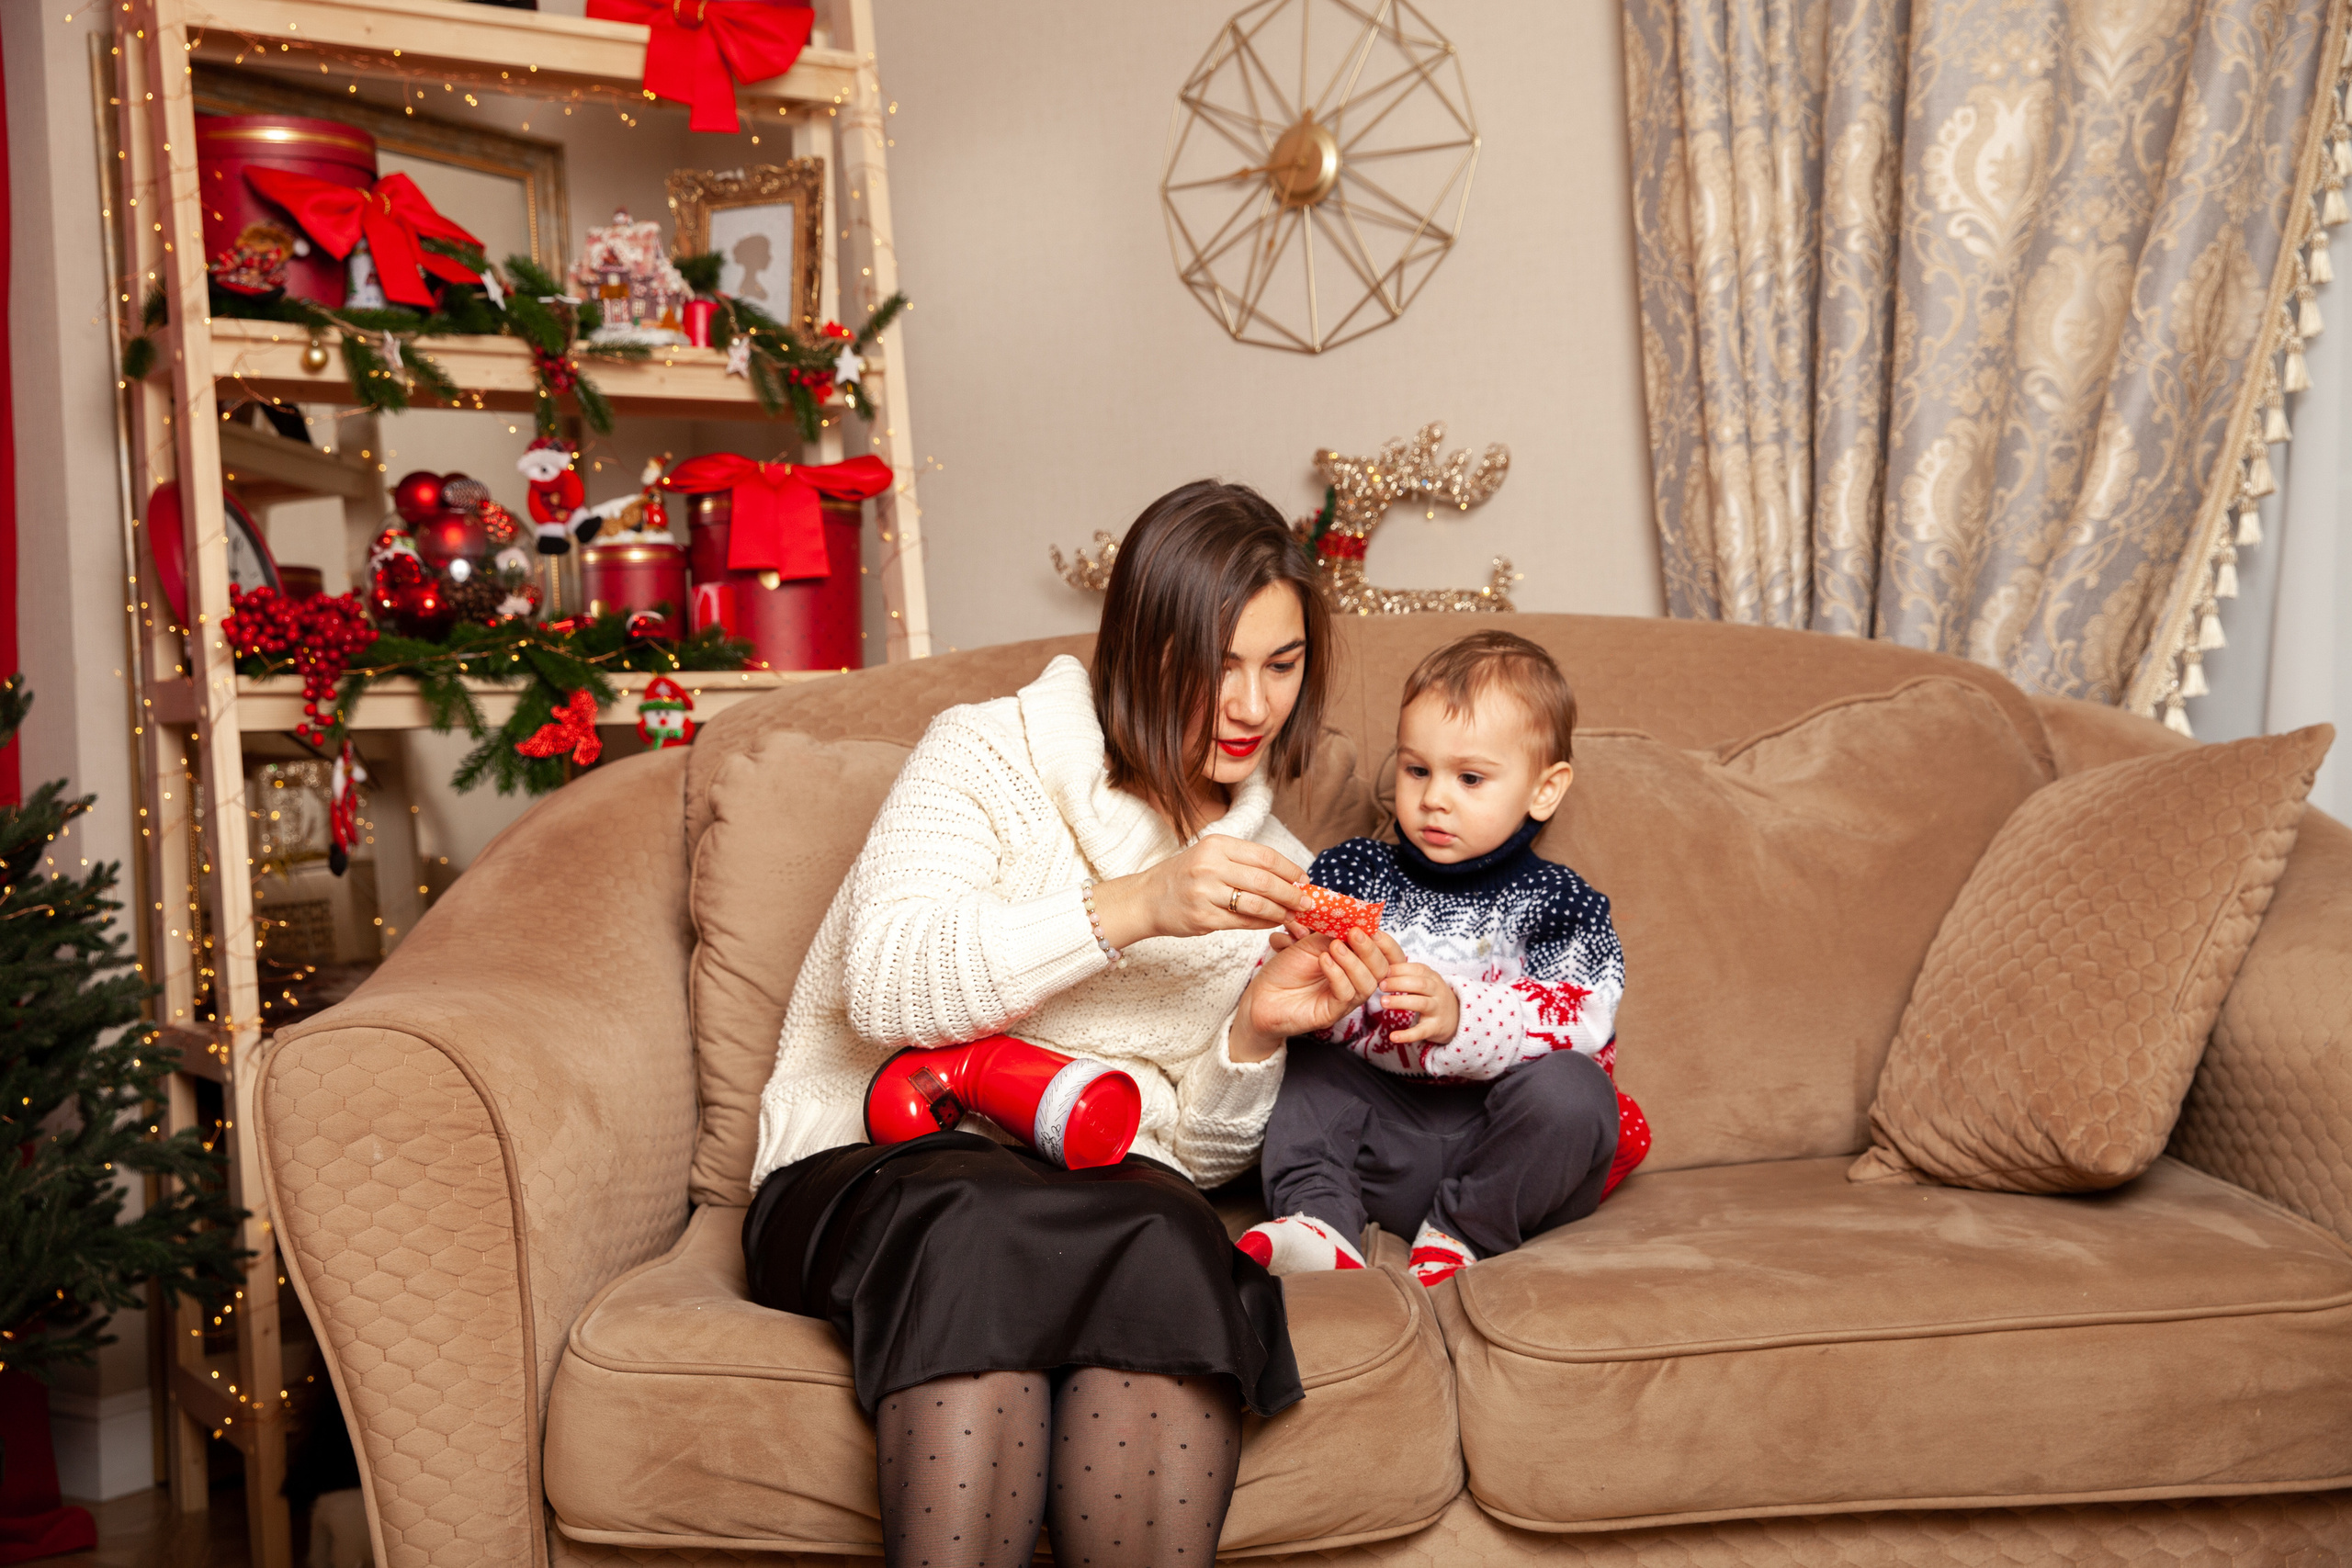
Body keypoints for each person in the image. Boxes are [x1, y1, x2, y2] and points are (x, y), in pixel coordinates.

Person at [741, 480, 1399, 1568]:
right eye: (1217, 665)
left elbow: (1198, 1156)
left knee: (1172, 1237)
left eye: (1280, 665)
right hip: (879, 1155)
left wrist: (1253, 1031)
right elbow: (887, 983)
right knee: (979, 1221)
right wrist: (1136, 907)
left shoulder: (1274, 870)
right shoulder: (986, 751)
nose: (1251, 705)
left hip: (1102, 1185)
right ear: (1141, 648)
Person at [1242, 631, 1647, 1288]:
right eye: (1417, 770)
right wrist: (1310, 971)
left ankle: (1462, 1235)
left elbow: (1585, 1017)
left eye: (1470, 778)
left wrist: (1462, 1015)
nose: (1435, 797)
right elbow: (1292, 991)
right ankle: (1319, 1222)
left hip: (1502, 1151)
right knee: (1308, 1065)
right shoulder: (1356, 871)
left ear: (1544, 790)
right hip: (1381, 1137)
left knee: (1578, 1092)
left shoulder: (1562, 902)